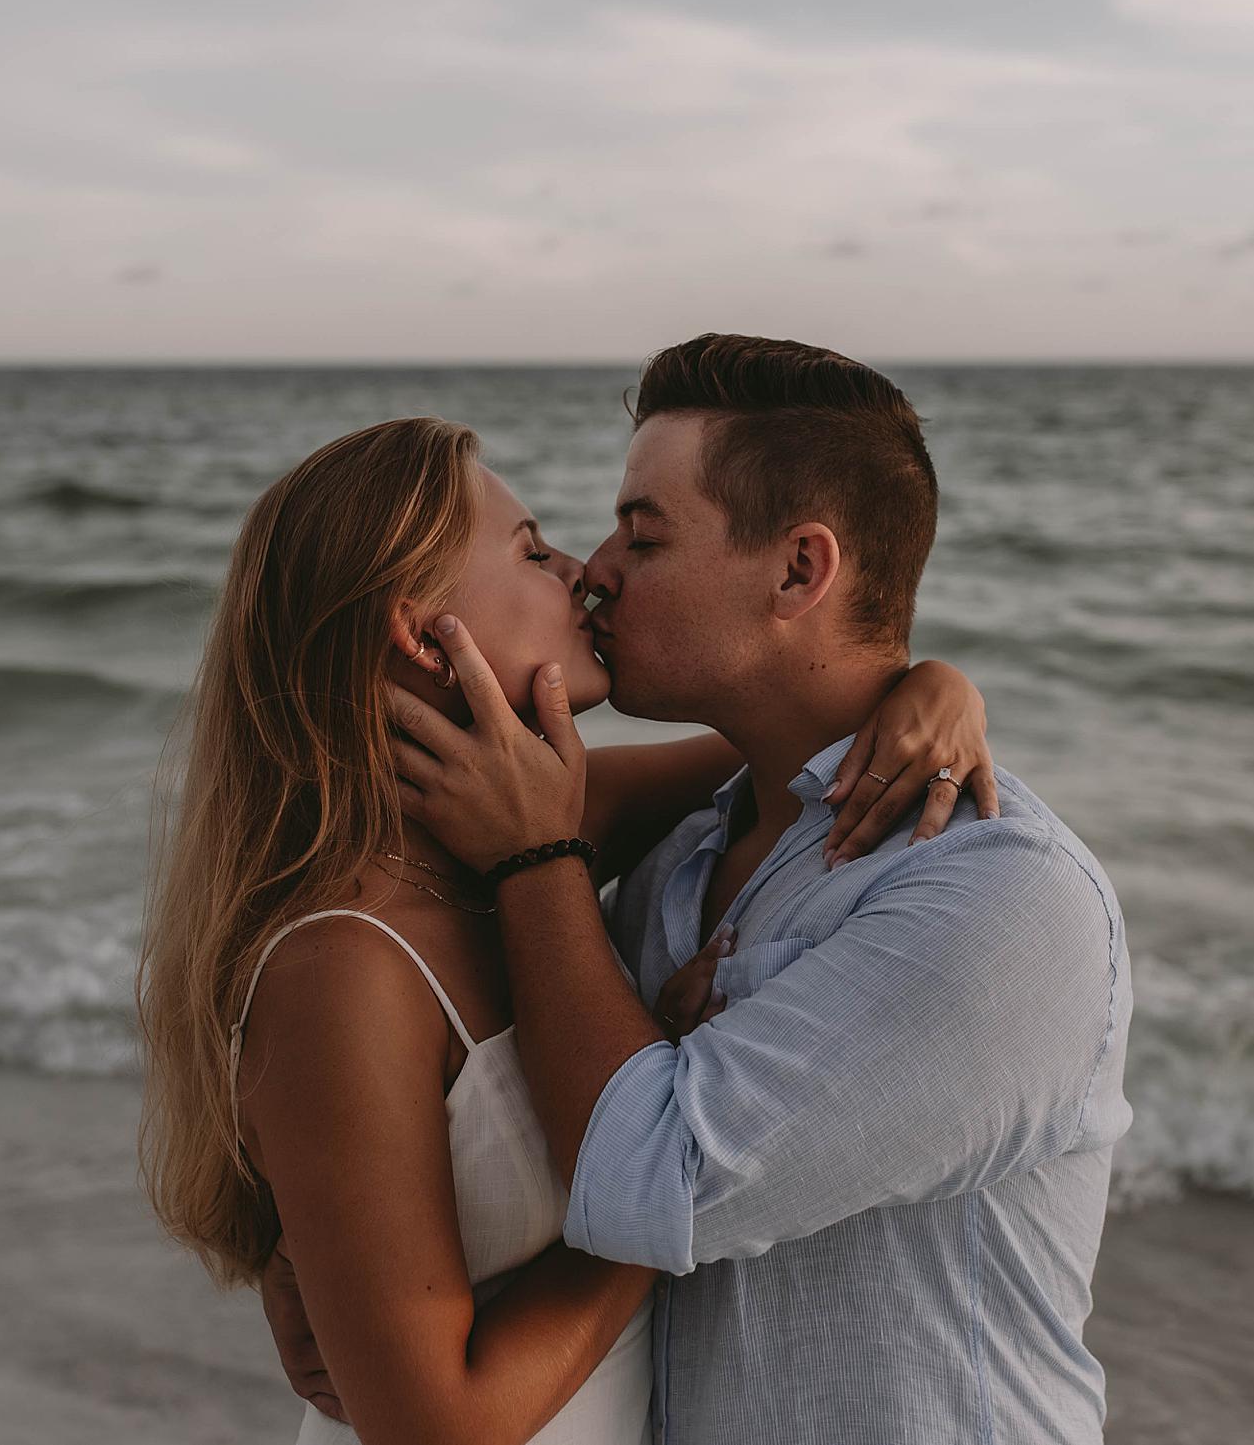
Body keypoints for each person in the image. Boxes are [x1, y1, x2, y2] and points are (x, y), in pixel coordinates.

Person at [135, 413, 1000, 1445]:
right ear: (420, 633)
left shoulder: (514, 834)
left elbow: (784, 758)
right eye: (532, 548)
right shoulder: (343, 963)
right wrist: (675, 1163)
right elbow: (436, 1426)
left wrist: (936, 687)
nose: (580, 575)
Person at [371, 334, 1135, 1441]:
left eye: (645, 533)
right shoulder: (681, 855)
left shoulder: (1000, 895)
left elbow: (640, 1179)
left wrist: (538, 864)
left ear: (798, 571)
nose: (595, 567)